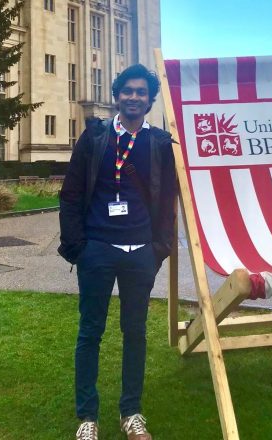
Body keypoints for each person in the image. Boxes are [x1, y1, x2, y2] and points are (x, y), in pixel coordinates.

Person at [58, 64, 177, 440]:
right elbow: (71, 193)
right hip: (97, 249)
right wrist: (78, 248)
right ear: (117, 95)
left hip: (140, 250)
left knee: (135, 333)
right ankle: (87, 418)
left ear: (150, 99)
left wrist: (158, 249)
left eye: (141, 92)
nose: (134, 97)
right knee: (90, 331)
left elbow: (169, 199)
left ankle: (131, 412)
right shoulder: (95, 137)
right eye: (127, 90)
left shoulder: (159, 143)